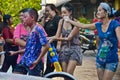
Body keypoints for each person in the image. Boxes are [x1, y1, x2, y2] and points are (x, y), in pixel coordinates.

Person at [63, 2, 120, 80]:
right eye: (97, 10)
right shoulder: (98, 24)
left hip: (112, 60)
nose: (97, 12)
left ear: (106, 12)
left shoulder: (115, 24)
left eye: (100, 10)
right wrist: (69, 20)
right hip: (100, 59)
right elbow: (82, 25)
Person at [12, 8, 49, 76]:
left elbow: (46, 46)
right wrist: (16, 52)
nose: (23, 19)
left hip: (34, 63)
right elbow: (29, 48)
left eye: (25, 17)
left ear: (32, 17)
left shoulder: (38, 29)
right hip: (24, 60)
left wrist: (37, 60)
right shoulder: (30, 30)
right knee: (15, 76)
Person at [49, 3, 82, 75]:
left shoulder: (76, 23)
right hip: (64, 50)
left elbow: (69, 38)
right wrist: (48, 38)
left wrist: (54, 39)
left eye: (65, 12)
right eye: (62, 13)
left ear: (70, 12)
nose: (63, 15)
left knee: (69, 73)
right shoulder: (61, 21)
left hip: (74, 49)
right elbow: (57, 35)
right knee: (64, 74)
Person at [43, 4, 61, 75]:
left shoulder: (58, 19)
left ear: (53, 10)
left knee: (53, 66)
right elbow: (42, 28)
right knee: (49, 66)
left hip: (56, 46)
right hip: (50, 46)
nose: (46, 12)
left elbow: (60, 33)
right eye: (45, 11)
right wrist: (44, 18)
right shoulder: (49, 21)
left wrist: (59, 44)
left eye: (48, 11)